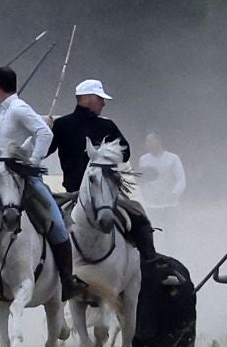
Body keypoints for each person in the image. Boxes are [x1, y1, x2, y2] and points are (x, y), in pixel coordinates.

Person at [0, 65, 88, 301]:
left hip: (26, 180)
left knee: (58, 222)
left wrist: (32, 162)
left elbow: (45, 133)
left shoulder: (19, 109)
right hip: (1, 179)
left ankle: (67, 280)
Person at [46, 78, 156, 260]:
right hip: (72, 194)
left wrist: (105, 152)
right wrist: (42, 130)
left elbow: (125, 152)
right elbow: (42, 151)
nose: (104, 103)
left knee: (138, 215)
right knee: (42, 222)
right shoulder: (61, 125)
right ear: (86, 98)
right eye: (100, 98)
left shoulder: (107, 125)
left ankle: (150, 263)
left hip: (108, 196)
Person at [138, 132, 187, 209]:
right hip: (151, 206)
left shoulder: (173, 158)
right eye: (146, 141)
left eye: (149, 141)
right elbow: (143, 182)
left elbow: (181, 179)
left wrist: (175, 193)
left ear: (158, 141)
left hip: (170, 206)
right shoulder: (143, 159)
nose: (147, 143)